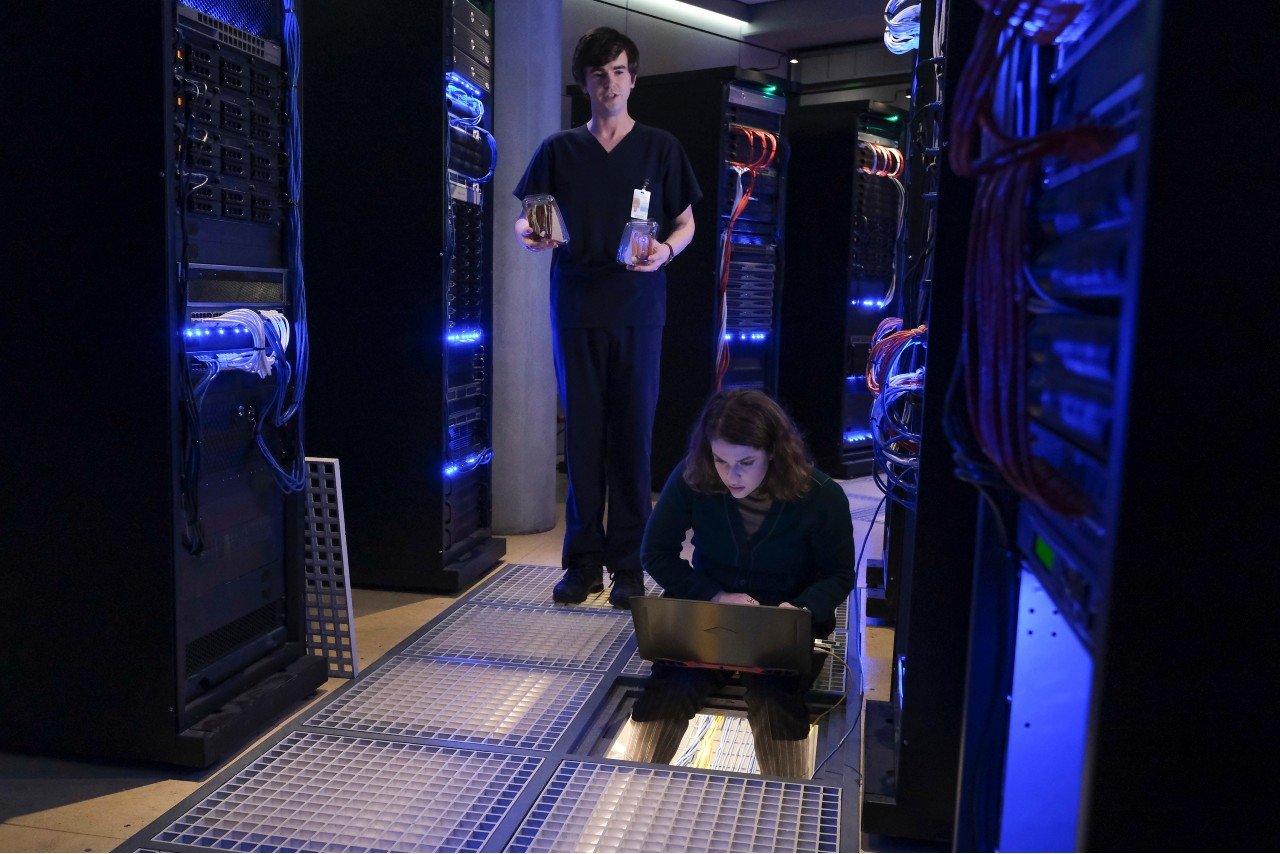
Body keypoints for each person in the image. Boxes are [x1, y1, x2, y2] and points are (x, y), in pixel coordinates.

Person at [513, 27, 701, 608]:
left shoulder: (661, 148)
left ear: (633, 79)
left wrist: (665, 252)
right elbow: (527, 217)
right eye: (599, 74)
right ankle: (581, 565)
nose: (610, 83)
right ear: (585, 84)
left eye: (620, 72)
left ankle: (627, 566)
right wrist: (530, 236)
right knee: (585, 438)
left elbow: (686, 223)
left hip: (639, 309)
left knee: (633, 438)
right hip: (576, 307)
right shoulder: (558, 149)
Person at [622, 389, 856, 777]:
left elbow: (838, 574)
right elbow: (656, 553)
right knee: (669, 689)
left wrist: (800, 610)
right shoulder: (693, 476)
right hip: (711, 612)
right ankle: (629, 790)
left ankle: (787, 803)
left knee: (775, 701)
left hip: (784, 620)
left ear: (774, 453)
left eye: (746, 462)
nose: (731, 475)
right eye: (720, 461)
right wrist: (714, 595)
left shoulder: (821, 495)